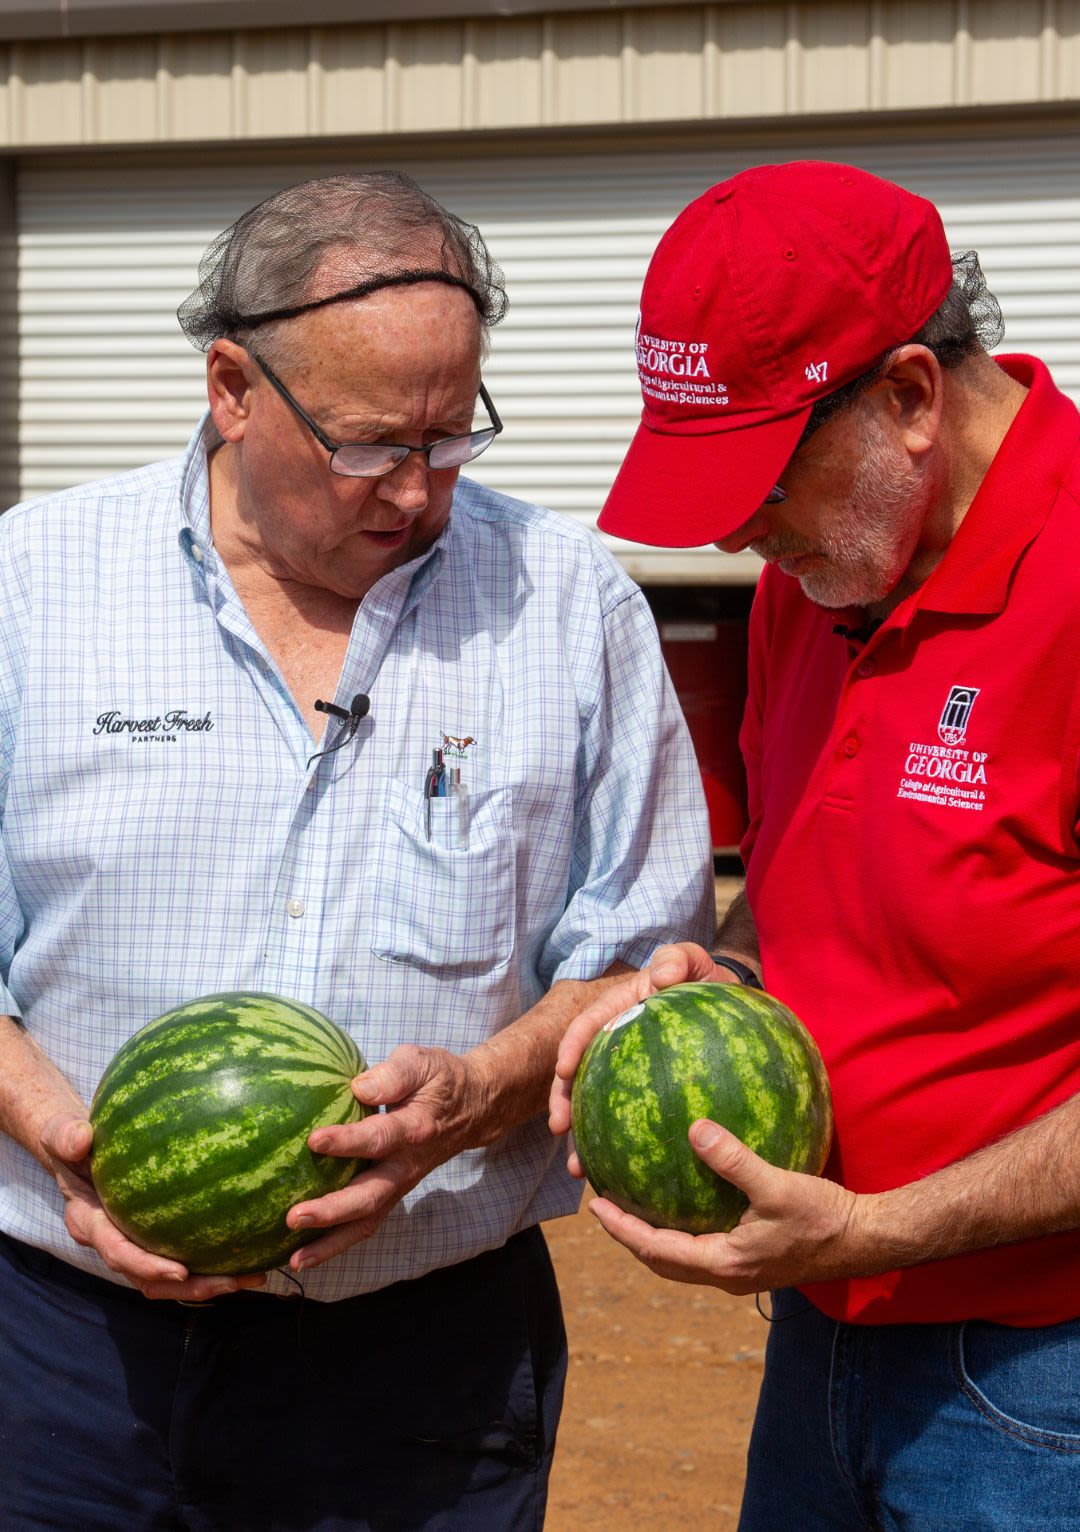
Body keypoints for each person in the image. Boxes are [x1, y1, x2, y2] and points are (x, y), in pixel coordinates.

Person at [0, 171, 715, 1531]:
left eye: (454, 438)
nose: (418, 490)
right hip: (70, 1360)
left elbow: (637, 964)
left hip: (425, 1374)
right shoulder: (32, 586)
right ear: (232, 386)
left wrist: (485, 1089)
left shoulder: (571, 609)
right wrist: (65, 1141)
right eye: (373, 443)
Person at [549, 159, 1080, 1529]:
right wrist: (717, 976)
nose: (737, 529)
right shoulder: (822, 578)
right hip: (819, 1336)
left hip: (1041, 1376)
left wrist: (878, 1229)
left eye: (763, 478)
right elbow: (797, 905)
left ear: (909, 395)